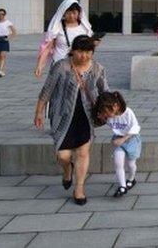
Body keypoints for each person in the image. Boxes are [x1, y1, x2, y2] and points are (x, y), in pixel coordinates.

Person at [34, 35, 108, 206]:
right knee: (63, 156)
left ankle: (79, 189)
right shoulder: (62, 66)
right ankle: (67, 170)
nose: (84, 55)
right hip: (62, 116)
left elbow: (105, 91)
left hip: (86, 117)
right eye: (80, 51)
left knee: (83, 153)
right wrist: (39, 112)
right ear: (73, 51)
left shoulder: (98, 68)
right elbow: (47, 89)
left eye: (88, 52)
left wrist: (111, 111)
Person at [95, 91, 142, 198]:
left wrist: (124, 138)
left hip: (131, 139)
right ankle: (122, 186)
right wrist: (101, 117)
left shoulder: (128, 112)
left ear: (115, 106)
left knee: (131, 164)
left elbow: (136, 127)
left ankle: (131, 179)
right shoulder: (108, 116)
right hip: (118, 140)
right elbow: (101, 120)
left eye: (107, 112)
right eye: (104, 112)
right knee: (118, 163)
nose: (107, 115)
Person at [35, 0, 93, 78]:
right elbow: (48, 48)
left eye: (74, 13)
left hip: (79, 66)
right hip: (59, 65)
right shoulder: (56, 27)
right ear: (63, 12)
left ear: (79, 13)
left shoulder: (85, 28)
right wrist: (39, 66)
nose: (71, 15)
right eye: (68, 13)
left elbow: (88, 49)